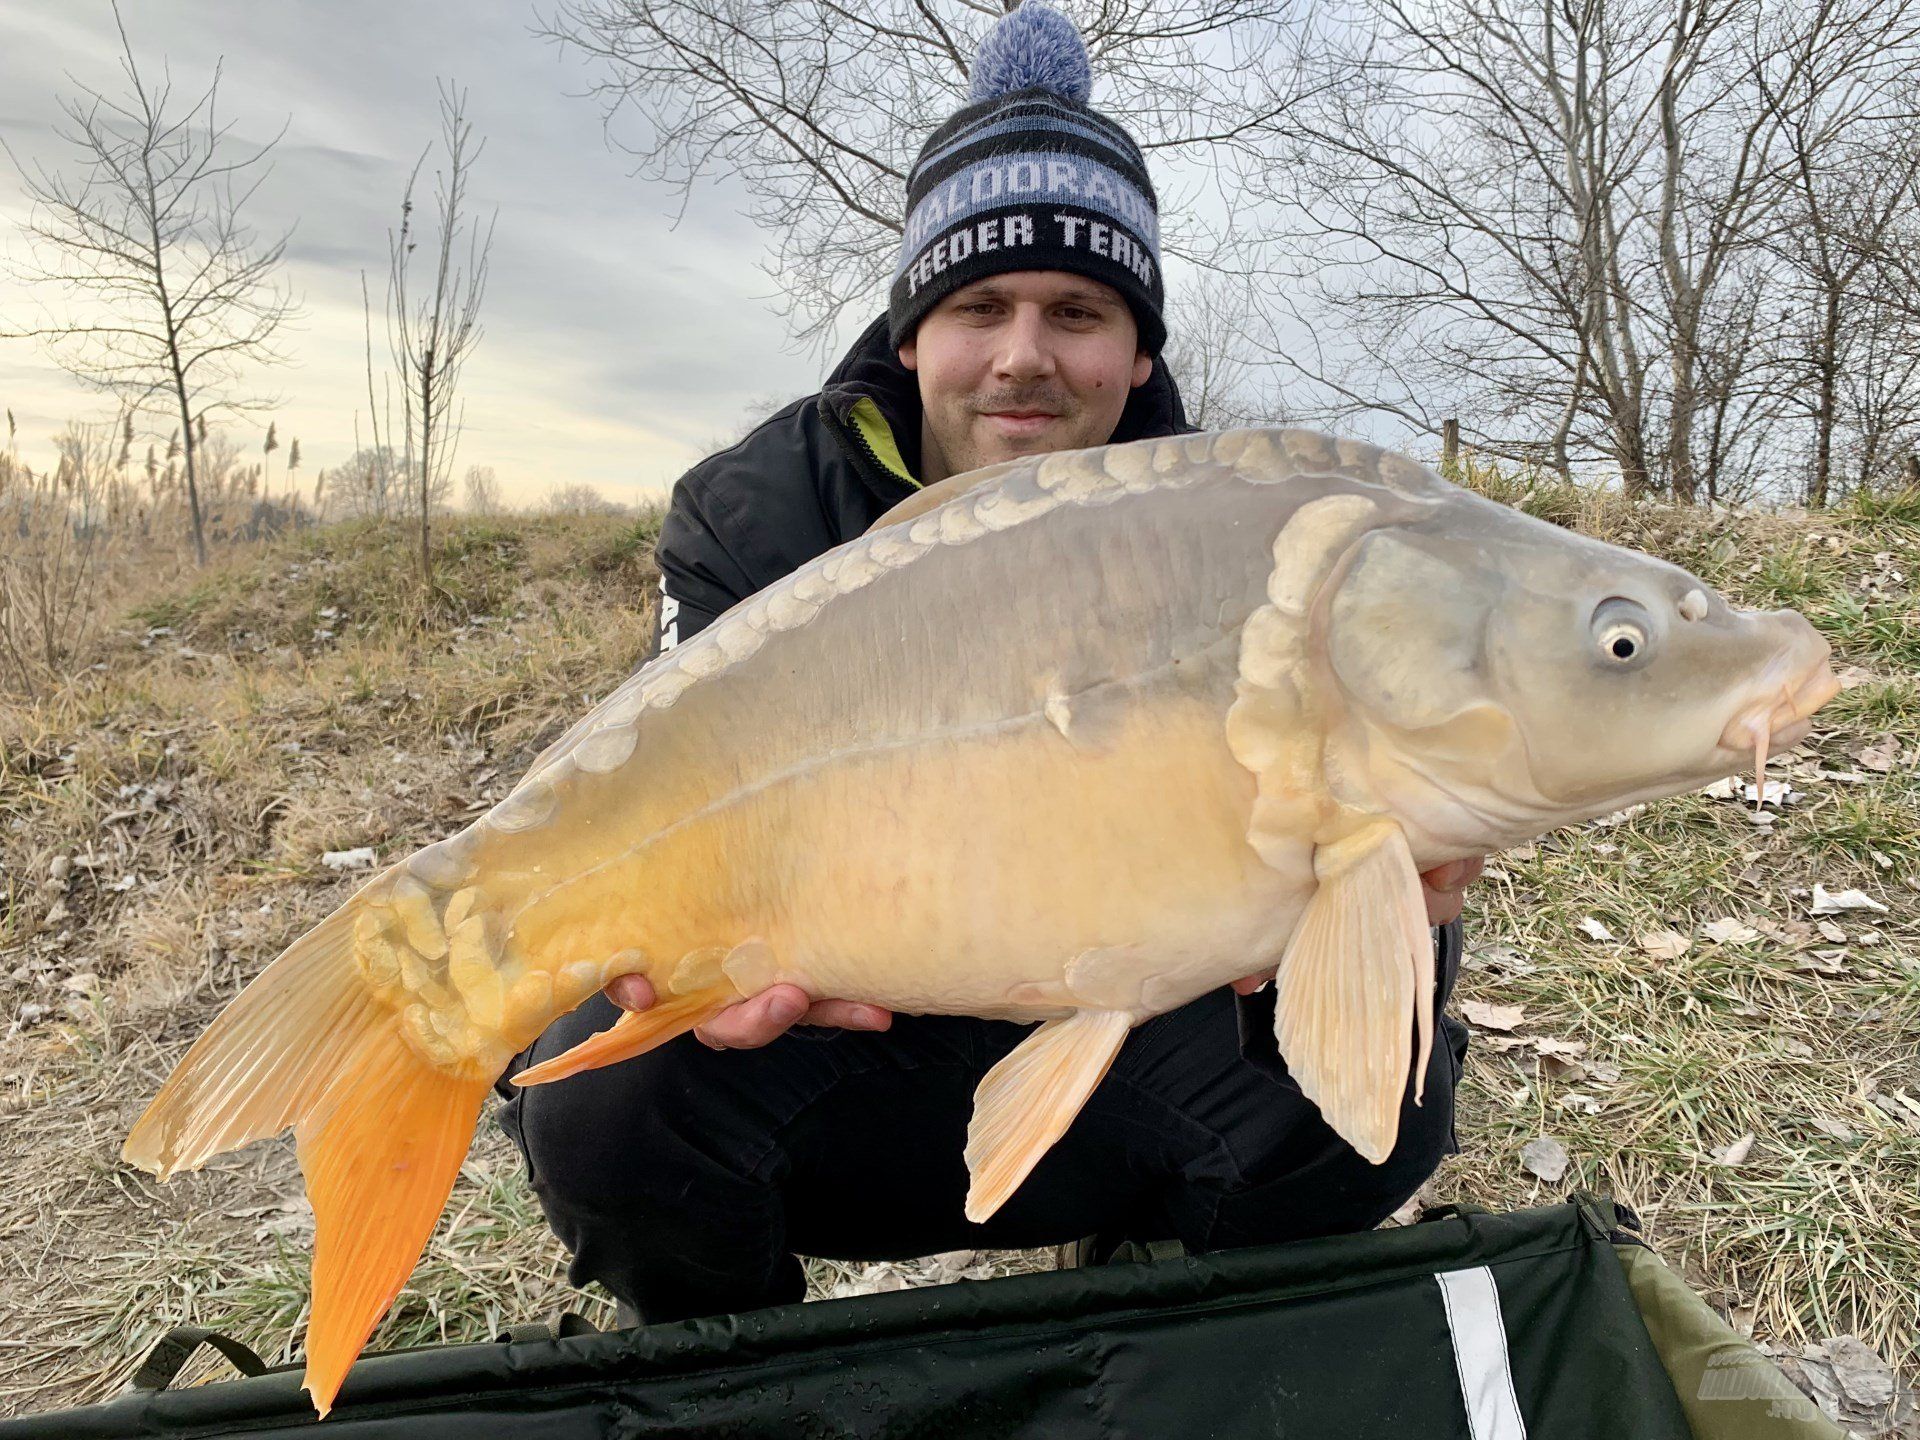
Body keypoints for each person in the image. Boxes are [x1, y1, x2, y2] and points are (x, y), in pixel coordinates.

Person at [497, 3, 1480, 1326]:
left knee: (1394, 1075)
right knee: (597, 1098)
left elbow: (1362, 882)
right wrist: (669, 962)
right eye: (980, 307)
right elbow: (654, 815)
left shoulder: (1250, 543)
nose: (1025, 357)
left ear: (1139, 355)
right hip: (842, 1044)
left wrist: (1376, 904)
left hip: (1135, 1028)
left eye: (1078, 311)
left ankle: (1153, 1296)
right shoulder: (753, 514)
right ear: (912, 334)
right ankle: (739, 1372)